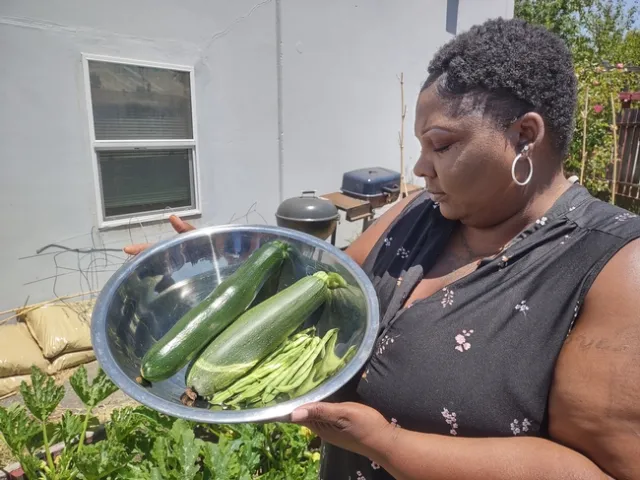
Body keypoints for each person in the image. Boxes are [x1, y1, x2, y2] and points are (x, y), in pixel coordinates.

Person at [125, 18, 640, 479]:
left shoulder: (612, 265)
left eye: (441, 144)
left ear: (525, 135)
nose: (420, 168)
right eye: (421, 146)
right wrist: (226, 270)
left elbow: (602, 472)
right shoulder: (421, 211)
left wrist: (388, 446)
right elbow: (326, 287)